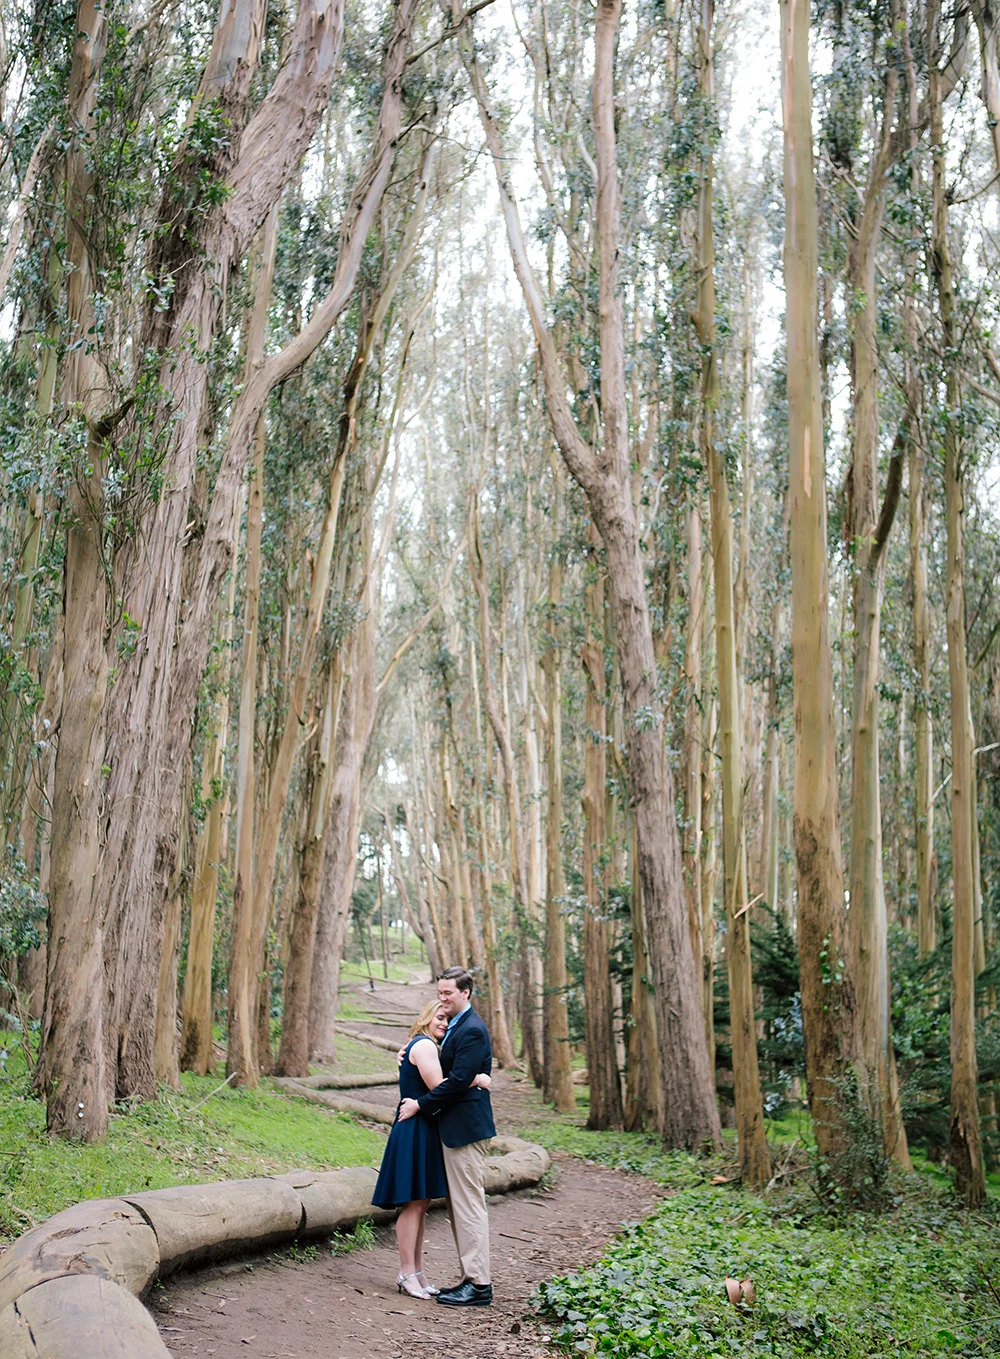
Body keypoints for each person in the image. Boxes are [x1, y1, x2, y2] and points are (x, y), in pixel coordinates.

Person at [371, 1000, 491, 1299]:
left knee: (420, 1204)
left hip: (424, 1127)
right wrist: (477, 1078)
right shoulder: (424, 1046)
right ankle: (406, 1272)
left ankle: (417, 1272)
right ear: (425, 1016)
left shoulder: (425, 1046)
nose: (444, 1023)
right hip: (414, 1129)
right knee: (413, 1204)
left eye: (448, 1019)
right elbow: (440, 1086)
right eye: (439, 1017)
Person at [397, 966, 495, 1308]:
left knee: (468, 1207)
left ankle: (479, 1284)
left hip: (465, 1129)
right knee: (461, 1206)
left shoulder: (471, 1030)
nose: (443, 998)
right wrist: (410, 1051)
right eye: (439, 993)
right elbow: (445, 1068)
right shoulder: (454, 1028)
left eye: (448, 994)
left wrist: (419, 1106)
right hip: (453, 1129)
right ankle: (471, 1278)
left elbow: (453, 1082)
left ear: (465, 993)